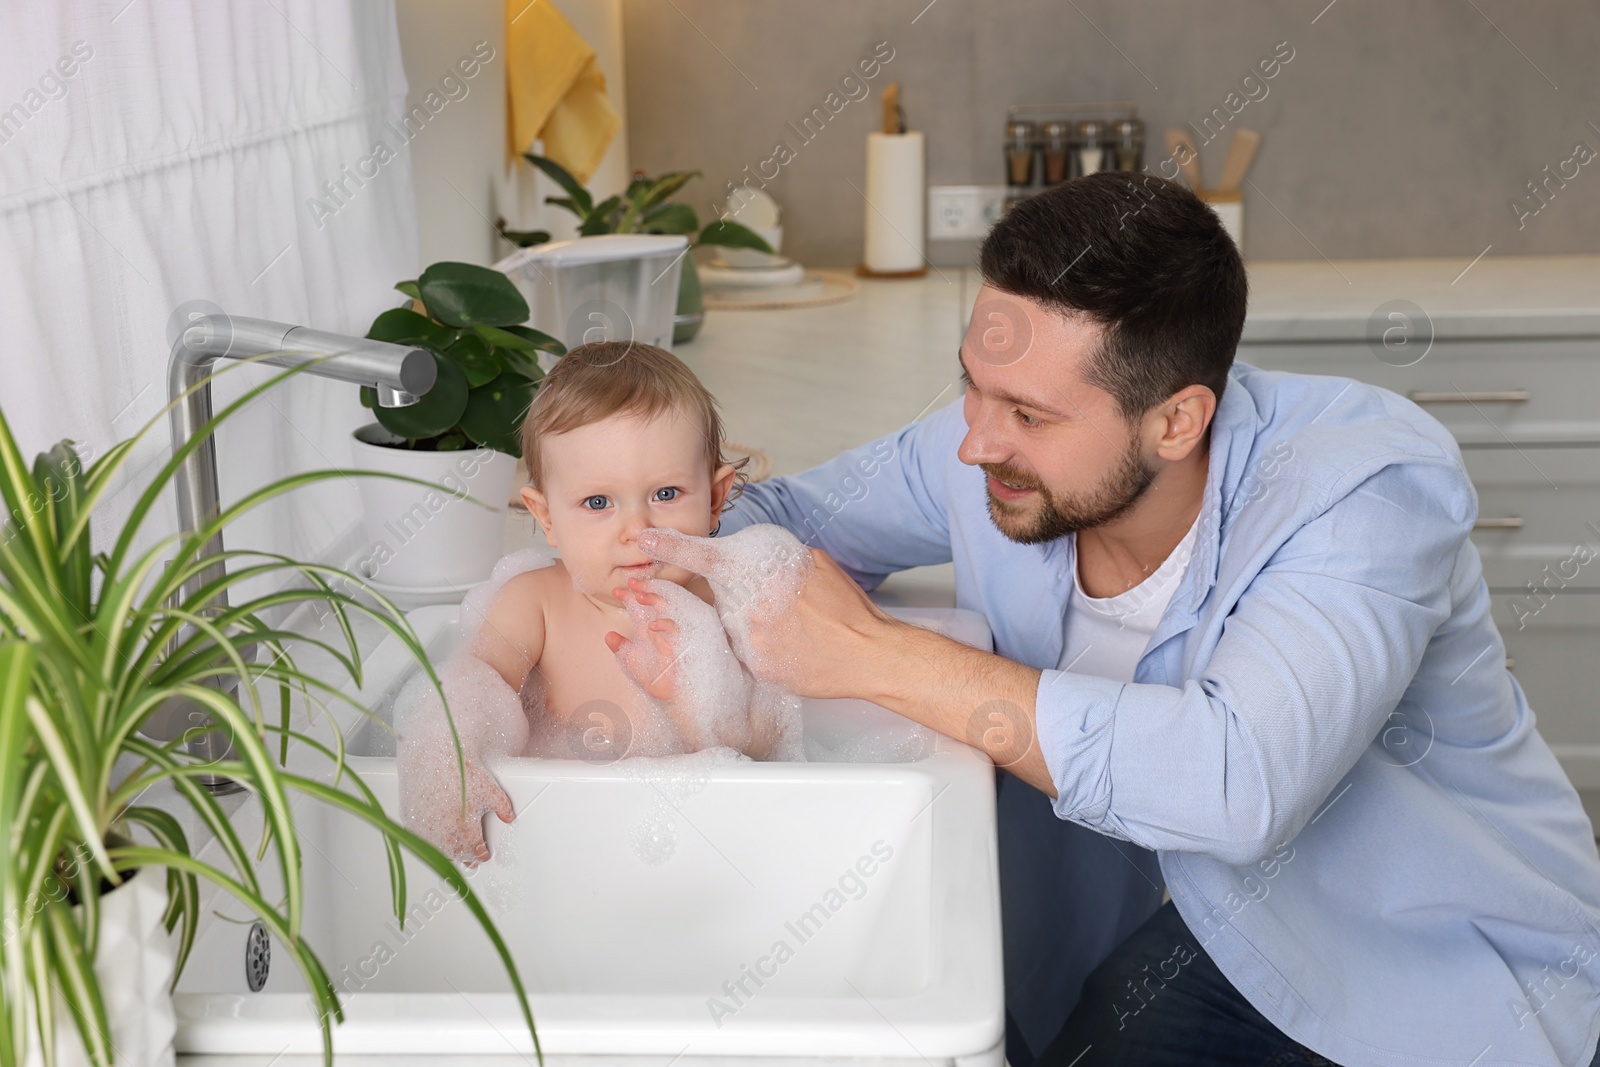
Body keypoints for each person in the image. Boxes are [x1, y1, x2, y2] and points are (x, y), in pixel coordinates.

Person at [629, 173, 1600, 1066]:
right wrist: (656, 536)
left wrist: (875, 654)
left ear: (1176, 421)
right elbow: (782, 518)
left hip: (1448, 972)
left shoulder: (1362, 490)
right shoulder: (993, 448)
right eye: (972, 383)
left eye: (1028, 413)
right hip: (1225, 931)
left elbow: (1236, 782)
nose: (972, 441)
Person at [396, 340, 785, 864]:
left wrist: (698, 711)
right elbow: (474, 677)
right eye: (597, 503)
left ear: (715, 496)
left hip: (697, 850)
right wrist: (445, 756)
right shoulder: (534, 604)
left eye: (666, 494)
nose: (637, 529)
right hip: (563, 848)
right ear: (546, 515)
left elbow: (767, 754)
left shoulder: (730, 606)